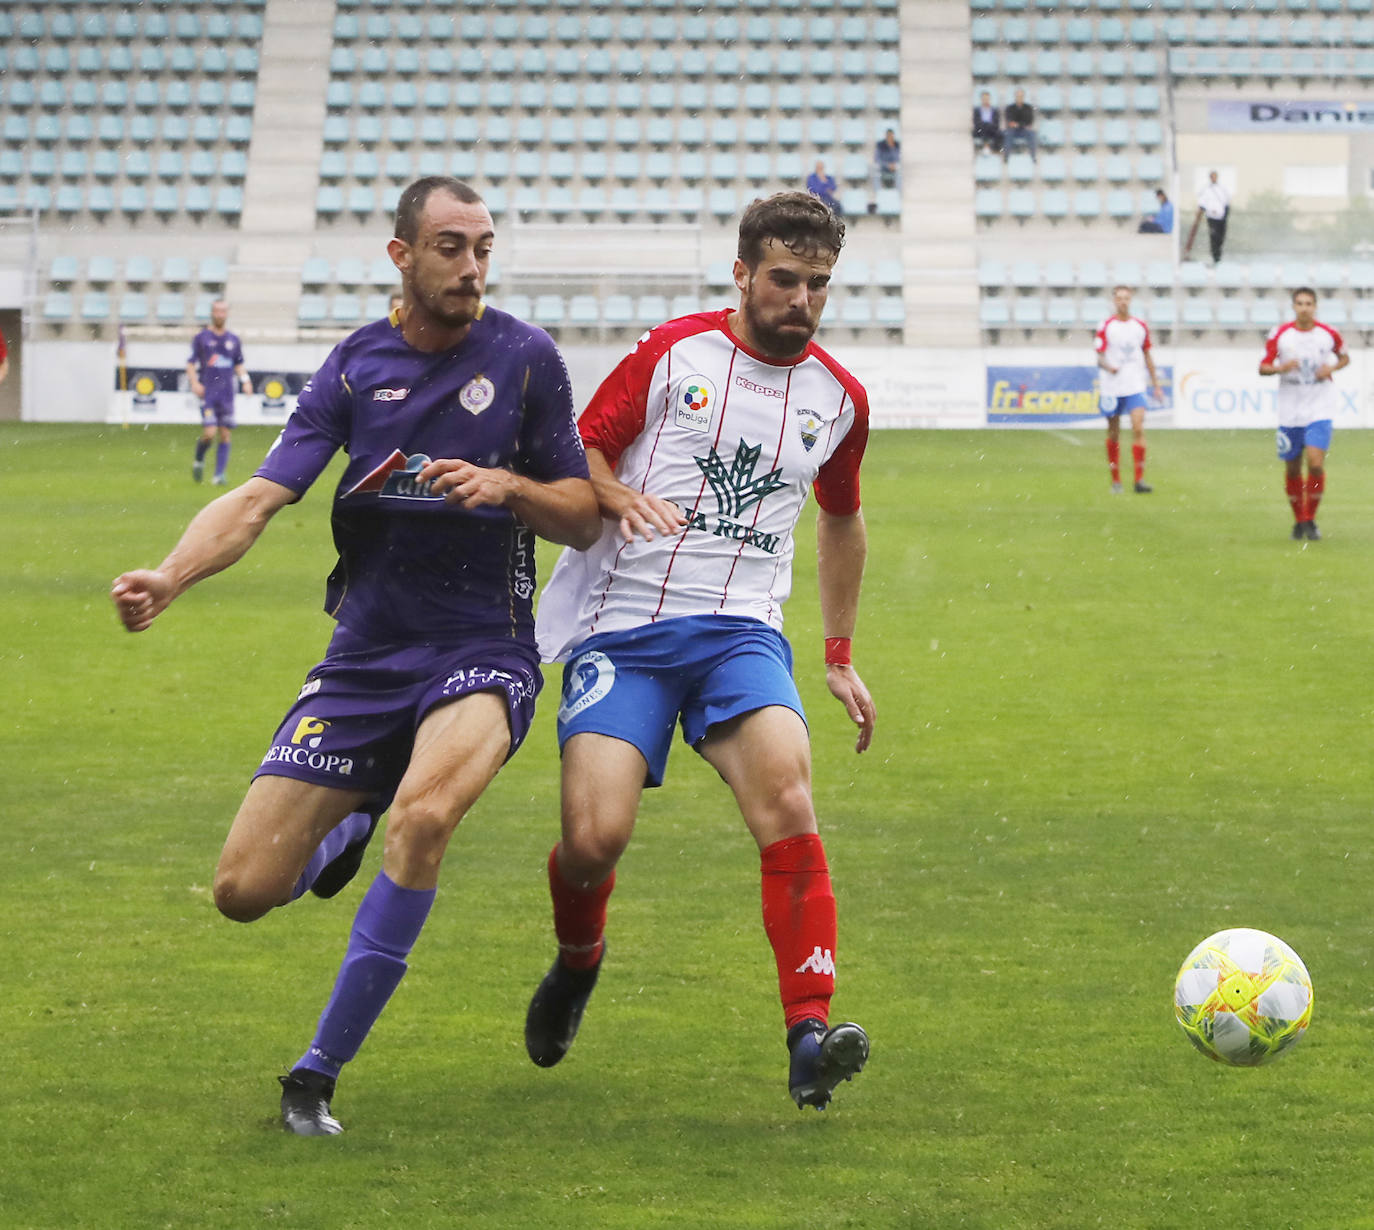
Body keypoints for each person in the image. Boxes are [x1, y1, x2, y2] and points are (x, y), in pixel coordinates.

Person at [110, 177, 600, 1136]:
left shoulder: (526, 358)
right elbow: (260, 496)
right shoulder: (354, 365)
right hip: (366, 655)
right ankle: (349, 824)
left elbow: (582, 516)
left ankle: (315, 1074)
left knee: (427, 817)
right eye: (451, 247)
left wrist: (507, 486)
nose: (471, 267)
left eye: (483, 248)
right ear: (401, 255)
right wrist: (170, 575)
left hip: (484, 646)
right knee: (242, 892)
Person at [524, 191, 876, 1113]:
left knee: (789, 798)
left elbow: (842, 518)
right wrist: (616, 497)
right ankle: (577, 960)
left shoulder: (839, 399)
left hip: (741, 634)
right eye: (785, 279)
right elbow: (581, 450)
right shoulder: (675, 351)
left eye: (819, 284)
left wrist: (837, 653)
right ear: (743, 274)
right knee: (593, 841)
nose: (802, 299)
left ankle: (808, 1034)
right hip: (626, 626)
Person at [1258, 287, 1349, 541]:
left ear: (1315, 306)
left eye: (1309, 303)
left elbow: (1344, 358)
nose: (1304, 308)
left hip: (1320, 405)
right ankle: (1299, 521)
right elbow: (1263, 367)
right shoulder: (1281, 335)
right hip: (1290, 409)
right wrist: (1281, 368)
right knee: (1293, 468)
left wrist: (1331, 368)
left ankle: (1310, 518)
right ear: (1293, 307)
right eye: (1300, 303)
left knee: (1316, 464)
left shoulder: (1328, 333)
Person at [1095, 285, 1163, 494]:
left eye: (1126, 298)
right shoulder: (1106, 326)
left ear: (1130, 300)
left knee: (1138, 427)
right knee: (1114, 433)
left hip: (1135, 385)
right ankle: (1116, 481)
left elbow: (1147, 354)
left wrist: (1156, 384)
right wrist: (1109, 367)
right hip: (1112, 387)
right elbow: (1099, 357)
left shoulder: (1140, 326)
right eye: (1119, 298)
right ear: (1114, 301)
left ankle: (1139, 480)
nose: (1123, 301)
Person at [187, 299, 253, 486]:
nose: (220, 314)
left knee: (225, 434)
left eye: (223, 311)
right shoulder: (202, 338)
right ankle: (199, 458)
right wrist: (194, 383)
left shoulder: (233, 340)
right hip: (208, 393)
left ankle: (218, 475)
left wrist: (245, 380)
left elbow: (238, 364)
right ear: (212, 313)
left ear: (227, 314)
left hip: (226, 394)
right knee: (209, 433)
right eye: (217, 311)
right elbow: (190, 363)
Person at [1196, 170, 1230, 265]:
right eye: (1212, 176)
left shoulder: (1222, 188)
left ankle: (1218, 255)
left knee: (1221, 237)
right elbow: (1202, 203)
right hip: (1212, 216)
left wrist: (1225, 214)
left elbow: (1227, 201)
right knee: (1214, 236)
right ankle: (1215, 256)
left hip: (1221, 216)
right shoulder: (1206, 189)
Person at [1001, 89, 1037, 162]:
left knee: (1032, 133)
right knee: (1007, 133)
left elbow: (1029, 121)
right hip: (1013, 130)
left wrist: (1017, 124)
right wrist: (1020, 124)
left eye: (1021, 96)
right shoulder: (1010, 108)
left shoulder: (1028, 108)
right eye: (1018, 96)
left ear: (1023, 97)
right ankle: (1006, 157)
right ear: (1015, 97)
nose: (1019, 98)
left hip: (1024, 130)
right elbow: (1009, 121)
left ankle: (1033, 156)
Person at [872, 128, 901, 195]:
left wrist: (894, 165)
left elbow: (898, 158)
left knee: (900, 175)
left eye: (891, 136)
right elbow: (877, 159)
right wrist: (887, 165)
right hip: (883, 168)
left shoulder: (897, 145)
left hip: (894, 168)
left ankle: (898, 195)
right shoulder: (880, 145)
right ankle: (878, 195)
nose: (890, 137)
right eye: (888, 136)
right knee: (876, 175)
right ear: (886, 136)